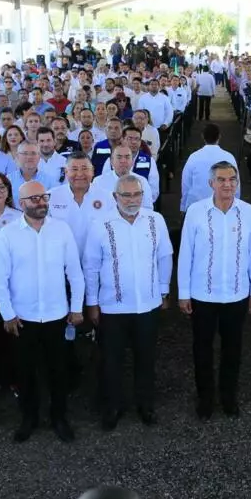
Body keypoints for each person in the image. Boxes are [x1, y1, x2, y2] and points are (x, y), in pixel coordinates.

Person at [0, 181, 84, 444]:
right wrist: (7, 314)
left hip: (57, 316)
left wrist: (77, 307)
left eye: (44, 197)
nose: (41, 202)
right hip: (23, 318)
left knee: (58, 371)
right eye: (34, 198)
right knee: (25, 372)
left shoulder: (61, 229)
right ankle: (28, 418)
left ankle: (59, 418)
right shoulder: (9, 234)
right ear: (21, 204)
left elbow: (75, 273)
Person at [83, 174, 173, 430]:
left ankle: (145, 405)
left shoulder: (155, 220)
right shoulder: (101, 224)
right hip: (112, 306)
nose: (132, 200)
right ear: (115, 197)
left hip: (147, 304)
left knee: (146, 358)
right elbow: (91, 266)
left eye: (137, 194)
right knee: (111, 360)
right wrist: (92, 302)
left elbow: (165, 256)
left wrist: (164, 290)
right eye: (126, 195)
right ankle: (113, 406)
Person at [177, 161, 251, 419]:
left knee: (232, 349)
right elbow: (186, 254)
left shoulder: (249, 212)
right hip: (202, 294)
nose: (228, 184)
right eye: (222, 180)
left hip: (236, 294)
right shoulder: (196, 211)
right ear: (211, 183)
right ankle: (205, 398)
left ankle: (228, 397)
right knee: (202, 349)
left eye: (232, 179)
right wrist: (183, 292)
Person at [180, 123, 238, 212]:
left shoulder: (194, 157)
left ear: (202, 136)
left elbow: (186, 184)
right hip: (223, 206)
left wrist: (184, 206)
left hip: (197, 207)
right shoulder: (229, 157)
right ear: (219, 136)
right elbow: (236, 185)